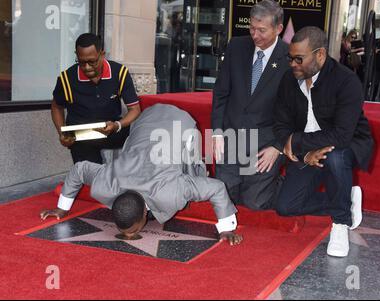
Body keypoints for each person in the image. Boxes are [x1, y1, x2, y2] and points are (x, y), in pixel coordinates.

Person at [40, 104, 243, 245]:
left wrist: (226, 228)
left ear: (145, 214)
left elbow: (216, 187)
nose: (130, 237)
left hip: (179, 124)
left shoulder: (171, 191)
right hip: (144, 121)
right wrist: (62, 209)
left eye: (135, 231)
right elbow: (79, 169)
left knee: (192, 167)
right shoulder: (107, 182)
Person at [272, 26, 374, 257]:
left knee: (336, 156)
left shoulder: (346, 81)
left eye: (299, 58)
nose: (292, 64)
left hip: (343, 146)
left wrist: (298, 142)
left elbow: (341, 135)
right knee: (286, 206)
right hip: (306, 152)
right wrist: (304, 153)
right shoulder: (289, 80)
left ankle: (340, 222)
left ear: (320, 54)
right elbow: (280, 124)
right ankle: (344, 198)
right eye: (290, 58)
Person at [211, 0, 289, 210]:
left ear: (279, 29)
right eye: (252, 28)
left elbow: (296, 110)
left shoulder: (290, 58)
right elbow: (221, 93)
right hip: (232, 136)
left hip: (266, 141)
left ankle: (284, 184)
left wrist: (278, 147)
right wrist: (217, 132)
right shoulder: (236, 46)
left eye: (262, 30)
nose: (255, 35)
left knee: (255, 202)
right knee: (226, 196)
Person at [51, 33, 141, 164]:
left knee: (140, 138)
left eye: (92, 61)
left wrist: (117, 125)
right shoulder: (66, 78)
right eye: (81, 62)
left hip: (112, 130)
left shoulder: (119, 73)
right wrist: (61, 133)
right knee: (93, 177)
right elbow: (56, 107)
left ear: (102, 54)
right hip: (81, 136)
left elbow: (135, 109)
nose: (87, 67)